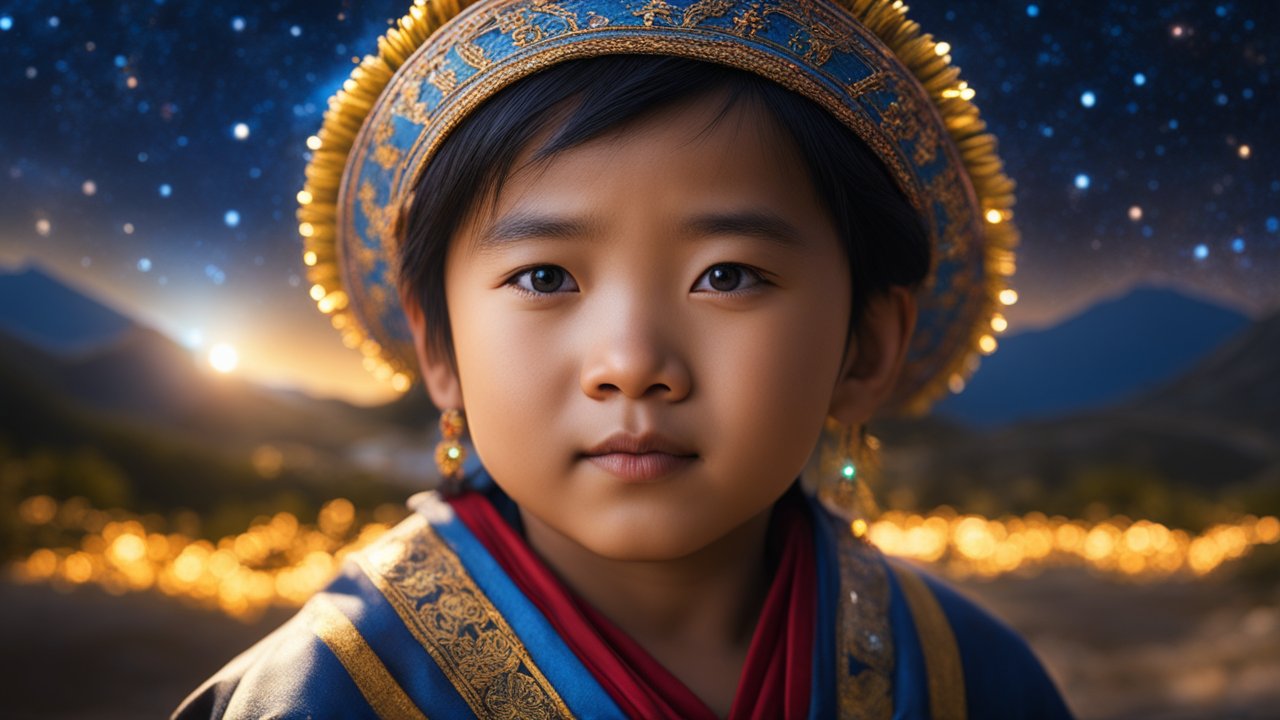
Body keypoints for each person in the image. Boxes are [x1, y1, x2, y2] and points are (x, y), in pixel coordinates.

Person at [175, 0, 1072, 717]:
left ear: (865, 346)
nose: (632, 364)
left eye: (727, 275)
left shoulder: (967, 679)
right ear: (438, 345)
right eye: (544, 277)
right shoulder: (321, 693)